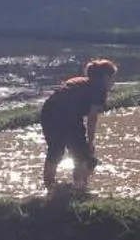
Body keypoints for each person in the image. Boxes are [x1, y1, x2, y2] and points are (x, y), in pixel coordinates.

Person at [40, 58, 118, 188]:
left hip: (50, 113)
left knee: (56, 150)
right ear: (105, 78)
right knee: (80, 154)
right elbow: (92, 119)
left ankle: (50, 185)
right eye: (113, 78)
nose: (113, 82)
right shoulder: (99, 90)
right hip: (64, 115)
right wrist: (91, 141)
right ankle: (79, 186)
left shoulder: (80, 81)